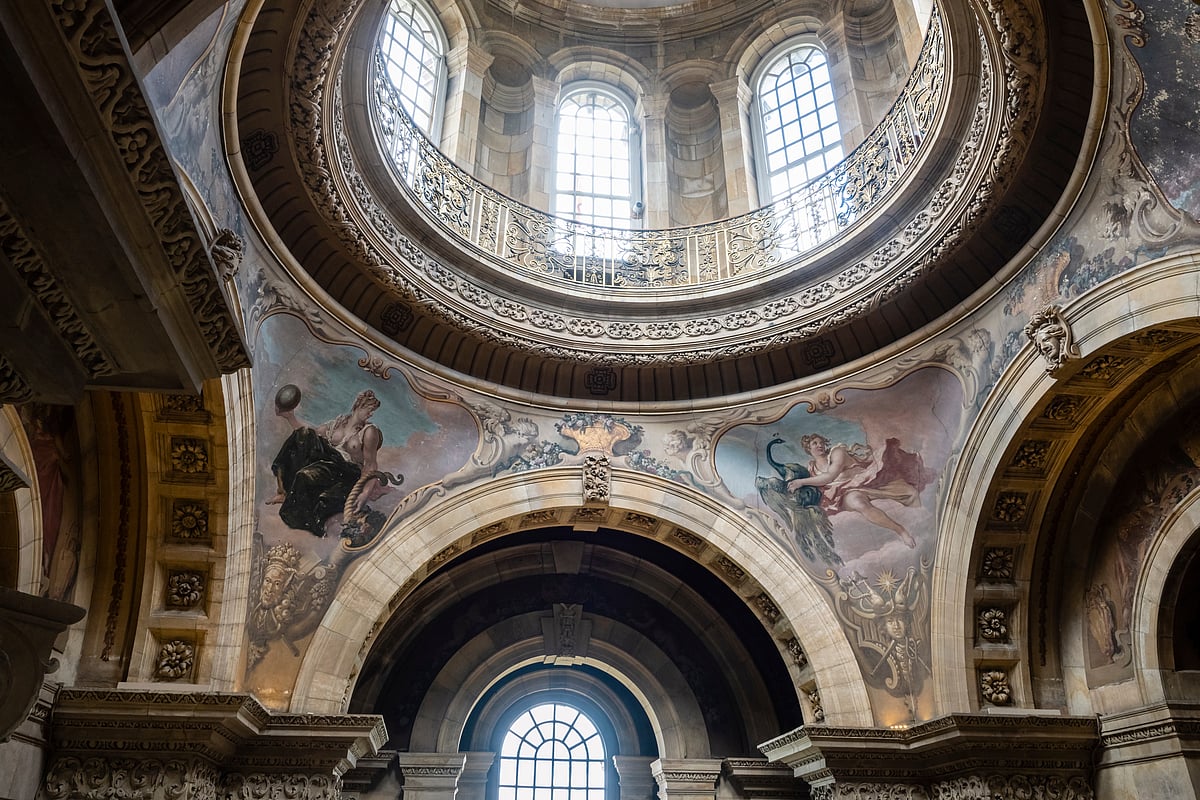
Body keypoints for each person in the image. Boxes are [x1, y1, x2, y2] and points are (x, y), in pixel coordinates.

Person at [268, 388, 391, 536]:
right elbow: (312, 434)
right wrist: (291, 418)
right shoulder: (338, 422)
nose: (371, 414)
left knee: (304, 475)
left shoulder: (369, 431)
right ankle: (283, 491)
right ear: (359, 405)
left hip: (347, 471)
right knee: (303, 434)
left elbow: (370, 464)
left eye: (373, 412)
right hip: (329, 463)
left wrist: (365, 492)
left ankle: (301, 515)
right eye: (370, 410)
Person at [786, 433, 930, 548]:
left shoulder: (837, 452)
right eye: (814, 443)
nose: (820, 445)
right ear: (808, 449)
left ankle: (916, 527)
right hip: (844, 492)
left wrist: (801, 482)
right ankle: (901, 531)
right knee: (858, 503)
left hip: (868, 481)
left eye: (821, 442)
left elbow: (830, 477)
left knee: (910, 493)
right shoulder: (811, 468)